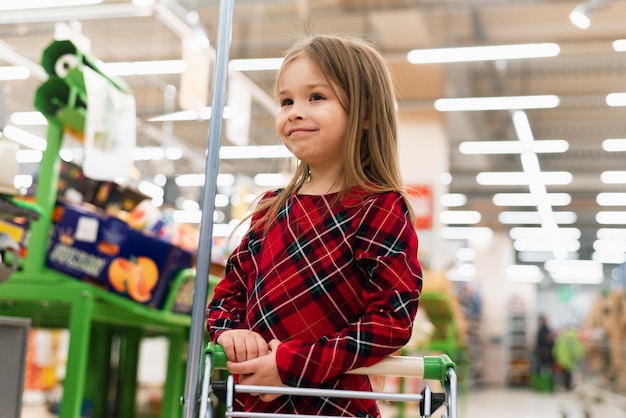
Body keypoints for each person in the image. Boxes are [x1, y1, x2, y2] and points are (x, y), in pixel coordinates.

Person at [206, 34, 423, 417]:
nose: (295, 111)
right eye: (286, 101)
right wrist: (230, 331)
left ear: (366, 112)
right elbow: (227, 296)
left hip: (336, 407)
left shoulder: (379, 207)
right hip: (252, 406)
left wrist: (293, 365)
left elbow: (392, 320)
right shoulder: (270, 209)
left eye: (316, 97)